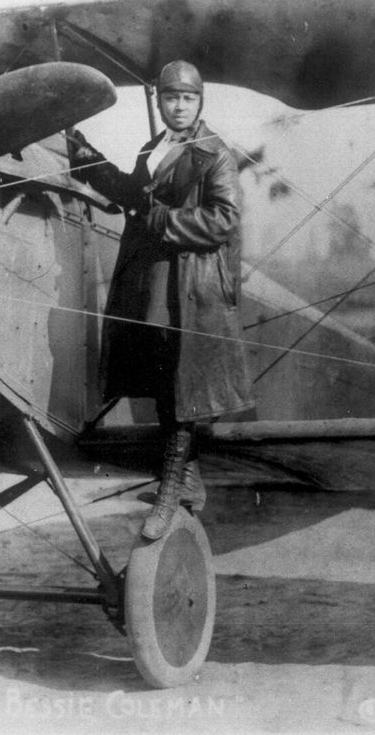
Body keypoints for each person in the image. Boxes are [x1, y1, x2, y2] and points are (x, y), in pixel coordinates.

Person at [68, 60, 254, 540]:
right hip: (152, 277)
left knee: (179, 383)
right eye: (170, 98)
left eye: (187, 98)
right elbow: (133, 193)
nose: (178, 105)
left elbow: (224, 220)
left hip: (188, 285)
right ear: (160, 102)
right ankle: (188, 481)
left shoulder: (215, 154)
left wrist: (165, 222)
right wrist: (86, 157)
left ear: (199, 102)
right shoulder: (155, 147)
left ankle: (171, 489)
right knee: (160, 373)